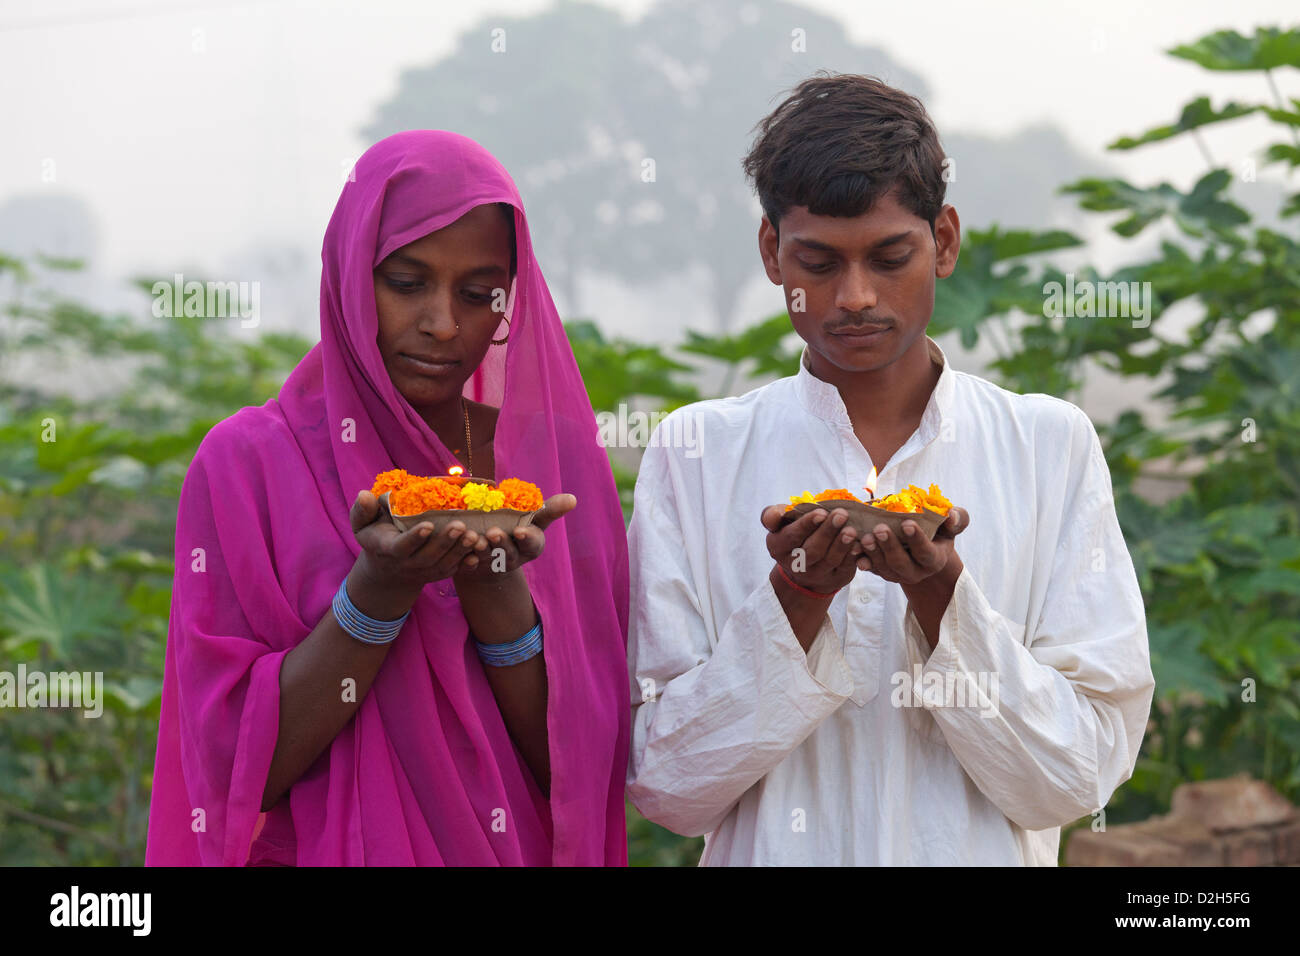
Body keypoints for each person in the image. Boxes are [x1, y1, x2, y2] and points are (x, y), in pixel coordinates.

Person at [625, 74, 1155, 865]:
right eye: (819, 262)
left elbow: (1077, 779)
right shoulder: (696, 454)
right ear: (773, 253)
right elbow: (665, 785)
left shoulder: (1049, 446)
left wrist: (943, 599)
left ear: (943, 241)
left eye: (889, 256)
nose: (855, 297)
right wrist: (796, 601)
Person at [145, 130, 630, 866]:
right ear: (348, 273)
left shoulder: (542, 469)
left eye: (477, 295)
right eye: (406, 283)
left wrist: (494, 587)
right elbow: (239, 771)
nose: (442, 324)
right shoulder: (248, 464)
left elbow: (579, 772)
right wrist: (378, 591)